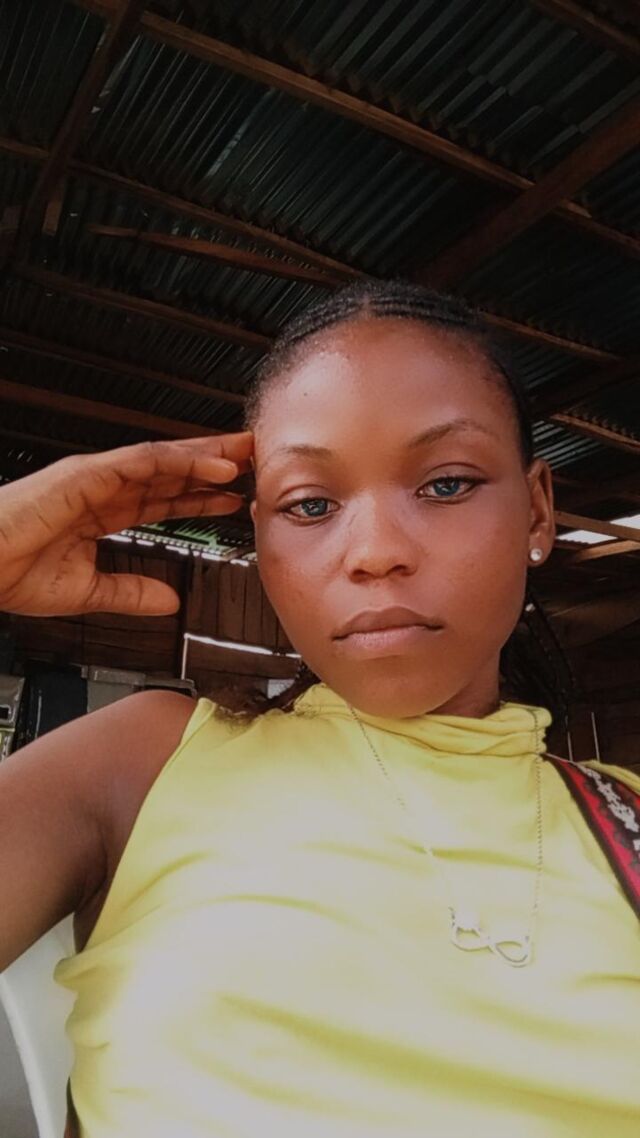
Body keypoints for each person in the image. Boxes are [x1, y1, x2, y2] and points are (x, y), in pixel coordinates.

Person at [1, 280, 639, 1138]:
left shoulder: (626, 819)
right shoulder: (141, 764)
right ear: (262, 540)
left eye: (447, 484)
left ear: (537, 511)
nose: (374, 551)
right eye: (310, 504)